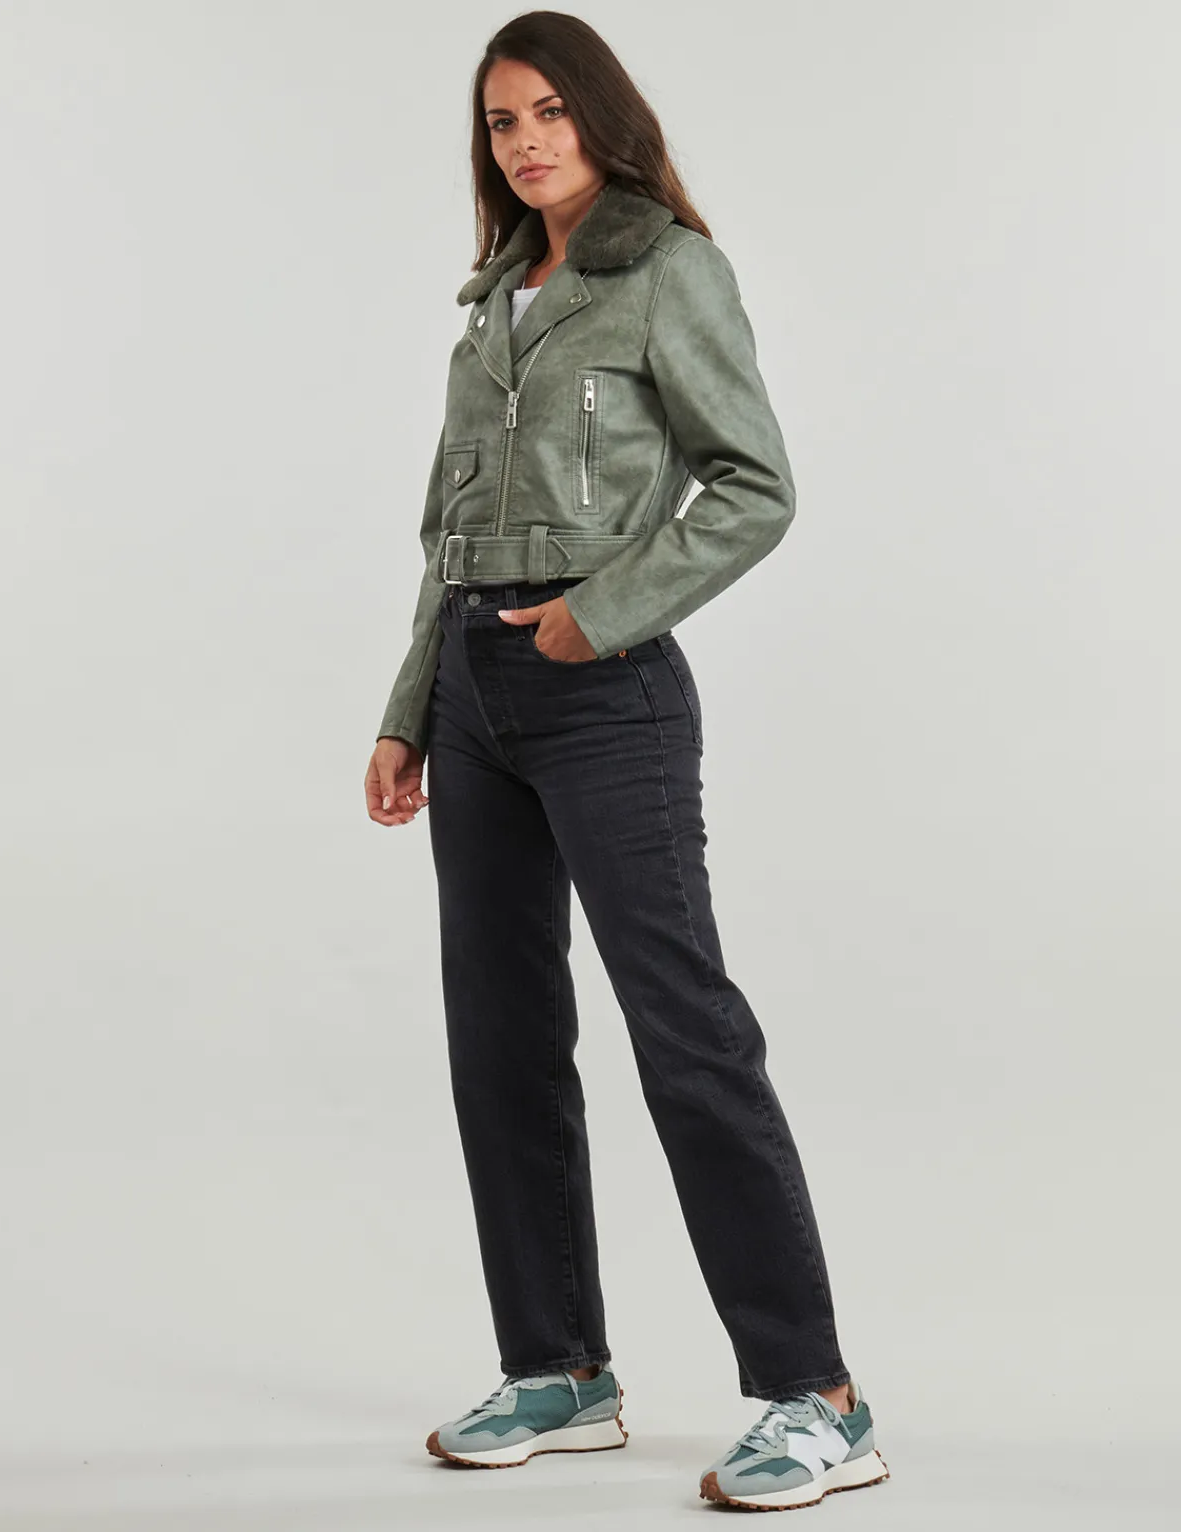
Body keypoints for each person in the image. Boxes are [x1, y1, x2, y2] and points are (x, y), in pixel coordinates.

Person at [364, 11, 888, 1513]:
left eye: (549, 111)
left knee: (685, 1031)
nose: (526, 141)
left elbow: (754, 485)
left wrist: (600, 616)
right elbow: (450, 530)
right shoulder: (491, 302)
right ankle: (560, 1369)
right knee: (501, 1038)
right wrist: (410, 707)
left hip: (608, 696)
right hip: (474, 696)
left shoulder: (671, 272)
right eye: (502, 122)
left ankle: (818, 1396)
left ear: (602, 116)